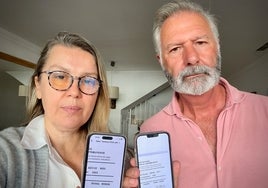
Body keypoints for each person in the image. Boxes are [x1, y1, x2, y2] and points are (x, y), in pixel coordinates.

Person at [123, 0, 268, 188]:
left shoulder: (265, 110)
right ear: (161, 61)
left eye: (200, 42)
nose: (191, 58)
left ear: (217, 46)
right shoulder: (150, 130)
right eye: (175, 49)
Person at [0, 31, 110, 187]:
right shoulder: (6, 152)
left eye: (88, 80)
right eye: (60, 76)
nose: (74, 92)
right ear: (38, 86)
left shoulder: (120, 156)